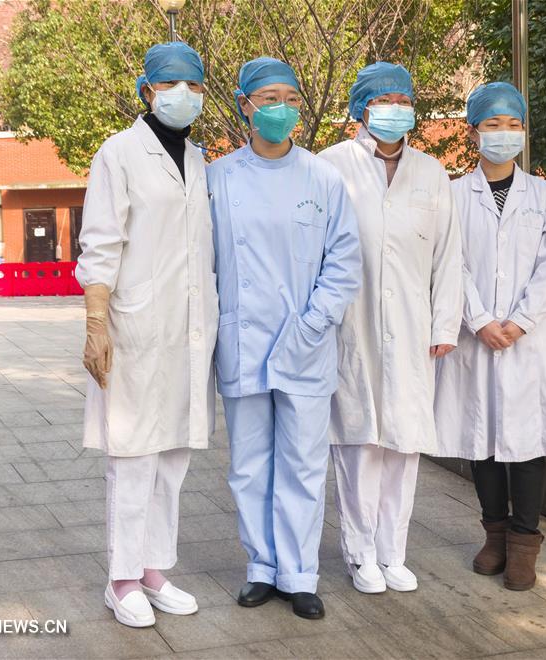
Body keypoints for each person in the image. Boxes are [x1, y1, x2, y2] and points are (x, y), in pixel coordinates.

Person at [207, 57, 361, 619]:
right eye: (269, 98)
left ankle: (299, 575)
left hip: (306, 341)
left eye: (291, 99)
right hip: (243, 339)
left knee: (302, 463)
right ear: (245, 105)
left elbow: (344, 260)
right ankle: (260, 568)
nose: (282, 109)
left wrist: (315, 322)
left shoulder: (323, 178)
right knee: (249, 464)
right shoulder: (217, 178)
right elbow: (203, 260)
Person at [76, 41, 219, 628]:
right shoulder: (119, 153)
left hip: (189, 331)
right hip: (133, 328)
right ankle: (122, 579)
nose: (184, 94)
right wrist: (95, 323)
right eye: (170, 83)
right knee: (133, 454)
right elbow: (100, 242)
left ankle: (156, 568)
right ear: (147, 91)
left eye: (194, 84)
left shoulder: (201, 159)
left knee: (174, 454)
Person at [319, 62, 463, 594]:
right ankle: (360, 555)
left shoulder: (431, 172)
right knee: (358, 443)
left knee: (403, 444)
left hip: (413, 327)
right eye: (385, 100)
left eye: (404, 100)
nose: (396, 109)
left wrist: (445, 323)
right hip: (351, 324)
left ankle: (393, 552)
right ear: (361, 107)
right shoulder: (330, 166)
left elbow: (449, 255)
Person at [434, 82, 546, 591]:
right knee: (483, 440)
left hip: (527, 340)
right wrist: (480, 320)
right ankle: (494, 535)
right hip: (477, 336)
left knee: (528, 442)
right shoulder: (452, 195)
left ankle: (524, 543)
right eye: (493, 124)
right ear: (473, 132)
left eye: (514, 125)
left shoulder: (545, 197)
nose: (504, 133)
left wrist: (520, 321)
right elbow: (450, 262)